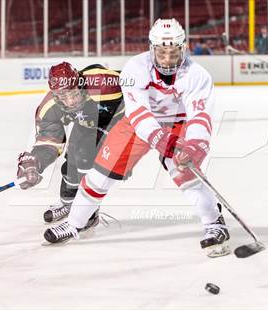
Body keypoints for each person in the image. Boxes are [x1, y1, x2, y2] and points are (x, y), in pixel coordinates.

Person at [43, 19, 231, 258]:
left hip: (178, 122)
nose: (167, 60)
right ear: (152, 49)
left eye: (173, 53)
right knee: (100, 173)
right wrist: (159, 138)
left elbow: (200, 116)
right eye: (162, 53)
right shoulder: (135, 68)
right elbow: (138, 113)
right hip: (138, 125)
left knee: (185, 172)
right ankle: (74, 223)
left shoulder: (197, 75)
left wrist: (195, 146)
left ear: (183, 49)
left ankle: (214, 222)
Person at [17, 62, 124, 224]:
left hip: (121, 123)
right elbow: (49, 143)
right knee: (71, 163)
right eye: (63, 97)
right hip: (89, 124)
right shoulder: (49, 108)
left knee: (84, 155)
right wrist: (36, 163)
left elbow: (139, 80)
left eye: (73, 93)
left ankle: (89, 210)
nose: (71, 101)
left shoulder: (103, 81)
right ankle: (68, 203)